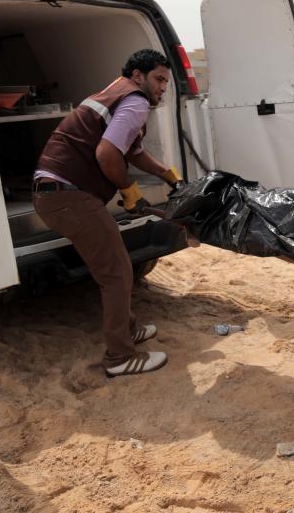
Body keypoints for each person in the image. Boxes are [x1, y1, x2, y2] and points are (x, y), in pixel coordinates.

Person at [32, 49, 184, 378]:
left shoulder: (116, 93)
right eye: (158, 79)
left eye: (166, 82)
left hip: (57, 192)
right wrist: (129, 190)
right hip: (67, 195)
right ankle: (120, 356)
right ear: (139, 76)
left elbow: (135, 152)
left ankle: (126, 331)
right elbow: (107, 154)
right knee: (116, 272)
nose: (162, 88)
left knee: (114, 266)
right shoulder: (136, 101)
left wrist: (170, 177)